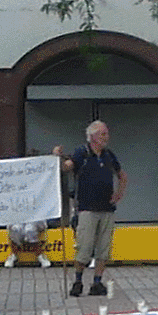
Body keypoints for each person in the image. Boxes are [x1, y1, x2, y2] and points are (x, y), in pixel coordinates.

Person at [55, 121, 127, 297]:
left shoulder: (109, 155)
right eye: (103, 134)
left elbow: (122, 175)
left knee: (104, 247)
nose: (106, 137)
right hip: (86, 207)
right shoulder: (82, 152)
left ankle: (97, 281)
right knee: (84, 247)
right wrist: (58, 157)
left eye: (106, 134)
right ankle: (78, 280)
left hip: (106, 208)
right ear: (93, 136)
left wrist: (119, 193)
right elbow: (67, 167)